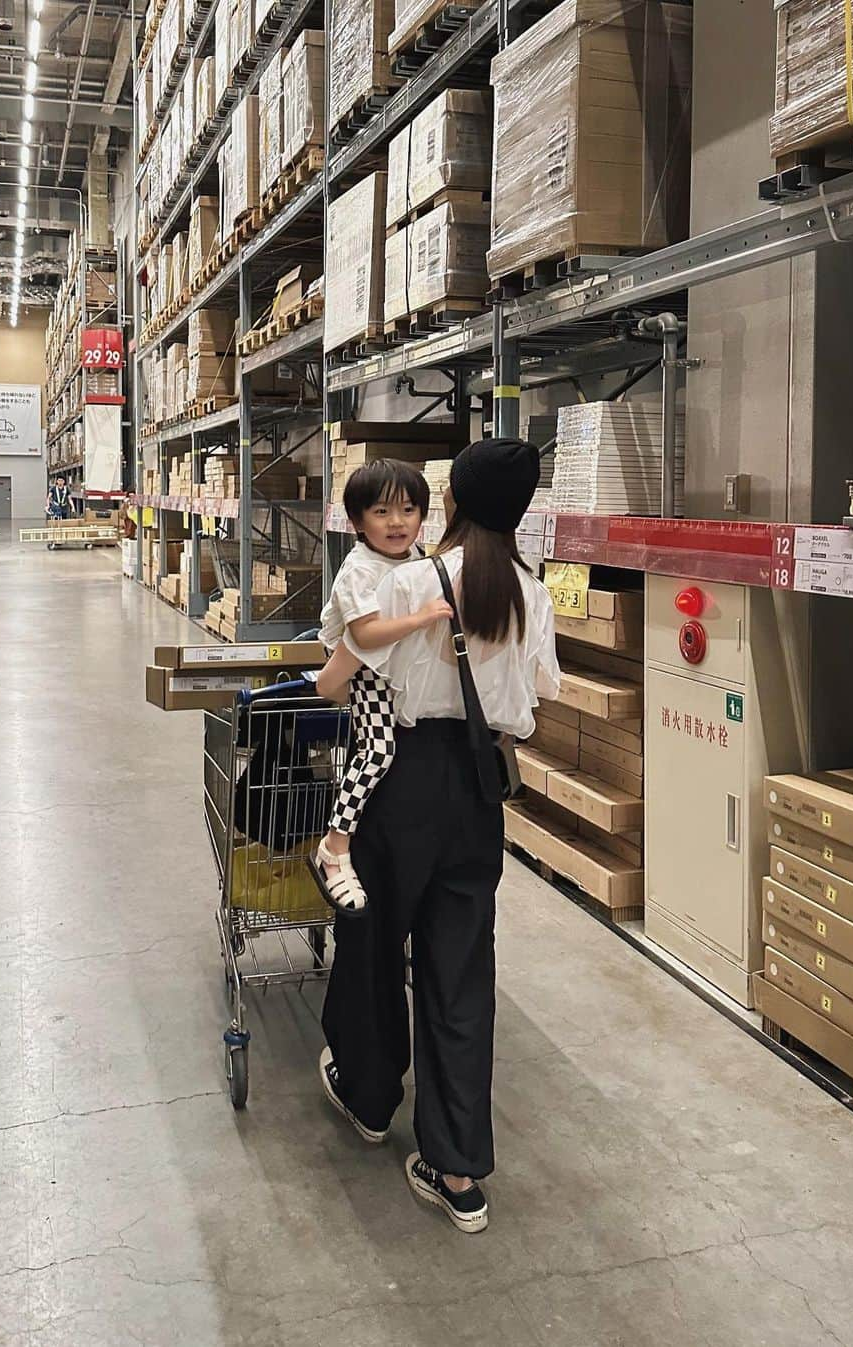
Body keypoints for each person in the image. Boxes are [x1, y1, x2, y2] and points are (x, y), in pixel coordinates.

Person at [315, 437, 560, 1234]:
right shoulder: (533, 592)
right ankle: (457, 1170)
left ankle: (370, 1096)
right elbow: (537, 700)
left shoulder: (415, 579)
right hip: (477, 789)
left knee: (376, 941)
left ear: (448, 503)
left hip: (400, 782)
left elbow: (337, 675)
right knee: (459, 972)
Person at [309, 459, 453, 916]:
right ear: (357, 521)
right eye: (382, 512)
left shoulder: (415, 557)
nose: (397, 523)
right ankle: (334, 846)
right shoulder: (359, 570)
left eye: (409, 510)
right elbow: (365, 637)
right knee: (378, 751)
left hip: (396, 666)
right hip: (364, 669)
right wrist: (423, 617)